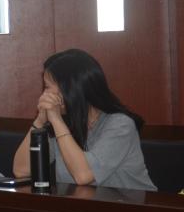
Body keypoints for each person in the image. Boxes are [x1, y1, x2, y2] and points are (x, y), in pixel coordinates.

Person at [12, 49, 155, 190]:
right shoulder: (62, 123)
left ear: (71, 89)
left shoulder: (121, 125)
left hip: (130, 204)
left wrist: (56, 119)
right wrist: (40, 120)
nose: (44, 94)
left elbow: (83, 176)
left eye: (48, 87)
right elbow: (21, 171)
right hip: (80, 203)